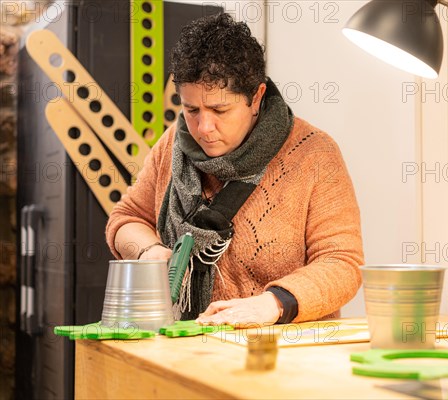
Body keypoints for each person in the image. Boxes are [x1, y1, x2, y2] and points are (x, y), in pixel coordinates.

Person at [106, 13, 363, 326]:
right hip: (186, 348)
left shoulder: (314, 154)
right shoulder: (173, 143)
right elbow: (125, 220)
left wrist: (274, 304)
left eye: (219, 110)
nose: (204, 127)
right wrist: (149, 252)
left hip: (282, 354)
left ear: (256, 98)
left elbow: (342, 263)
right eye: (191, 110)